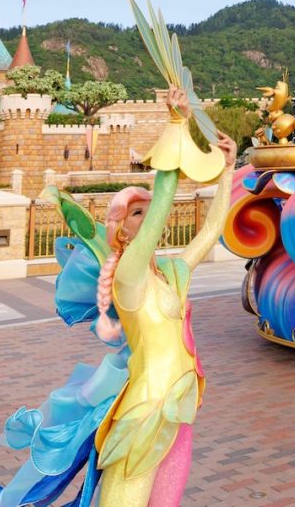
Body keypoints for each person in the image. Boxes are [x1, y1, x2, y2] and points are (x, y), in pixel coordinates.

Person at [92, 86, 237, 505]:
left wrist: (227, 170)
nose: (149, 214)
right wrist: (176, 125)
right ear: (121, 231)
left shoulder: (170, 273)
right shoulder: (128, 278)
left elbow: (211, 232)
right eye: (136, 212)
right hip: (145, 412)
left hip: (180, 404)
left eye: (146, 210)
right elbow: (162, 210)